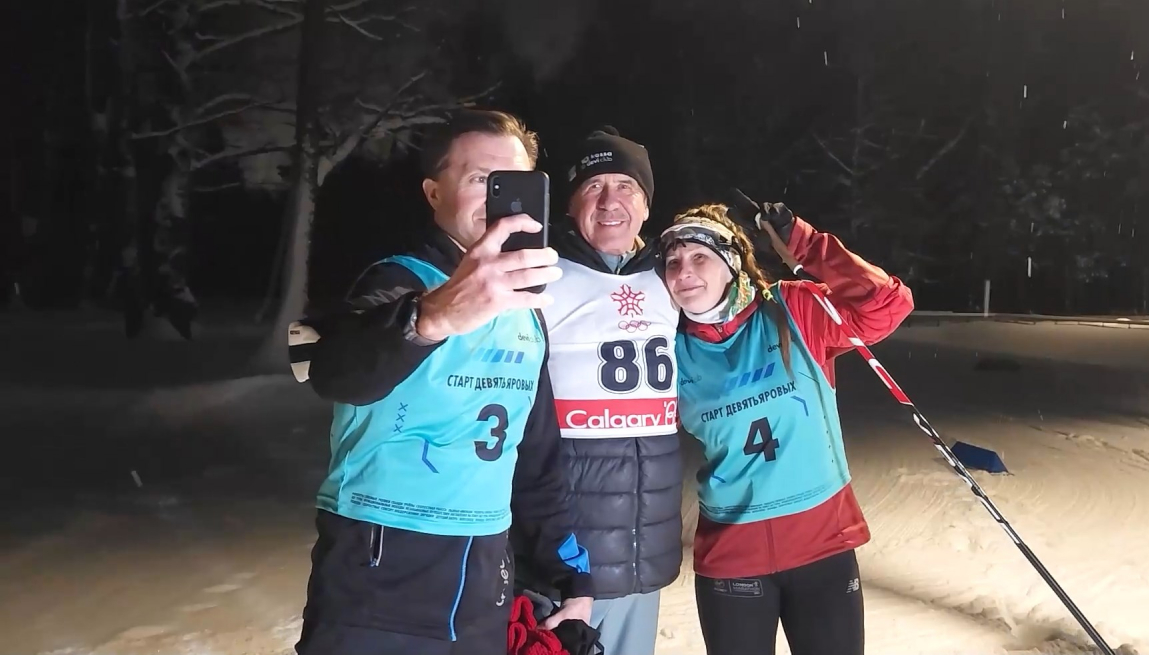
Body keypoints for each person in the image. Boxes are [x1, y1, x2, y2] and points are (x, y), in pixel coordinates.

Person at [295, 109, 594, 655]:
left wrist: (567, 574)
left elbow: (535, 455)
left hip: (483, 575)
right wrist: (430, 317)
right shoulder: (398, 279)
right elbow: (337, 371)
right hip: (379, 570)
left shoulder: (528, 308)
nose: (501, 201)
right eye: (482, 179)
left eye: (515, 183)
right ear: (434, 193)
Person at [656, 197, 914, 655]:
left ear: (732, 262)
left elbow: (886, 305)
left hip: (822, 544)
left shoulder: (792, 310)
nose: (684, 272)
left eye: (699, 257)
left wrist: (805, 243)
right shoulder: (669, 351)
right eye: (672, 262)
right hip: (732, 554)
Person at [515, 127, 683, 655]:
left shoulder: (671, 276)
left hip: (643, 555)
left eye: (626, 186)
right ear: (569, 205)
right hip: (566, 561)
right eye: (593, 186)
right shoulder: (537, 275)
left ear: (647, 205)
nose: (610, 201)